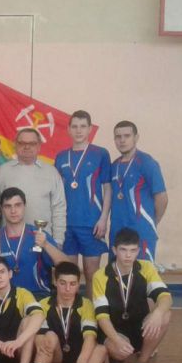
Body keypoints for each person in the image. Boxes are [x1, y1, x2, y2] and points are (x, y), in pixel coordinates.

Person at [15, 262, 107, 363]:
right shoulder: (43, 304)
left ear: (78, 284)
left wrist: (82, 360)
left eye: (72, 284)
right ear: (55, 282)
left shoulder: (86, 305)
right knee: (49, 336)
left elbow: (90, 336)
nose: (67, 289)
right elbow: (39, 337)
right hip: (53, 359)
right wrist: (41, 345)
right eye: (63, 283)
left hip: (77, 361)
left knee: (101, 349)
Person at [92, 228, 173, 363]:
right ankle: (115, 360)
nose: (128, 255)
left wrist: (157, 313)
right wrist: (116, 340)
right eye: (123, 250)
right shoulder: (100, 276)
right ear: (114, 250)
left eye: (133, 250)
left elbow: (165, 296)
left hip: (138, 326)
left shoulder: (146, 268)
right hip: (114, 330)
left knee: (165, 315)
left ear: (138, 251)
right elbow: (102, 317)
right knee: (118, 348)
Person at [0, 188, 70, 297]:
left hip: (37, 296)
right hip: (6, 299)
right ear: (1, 208)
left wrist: (46, 245)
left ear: (24, 206)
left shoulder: (39, 235)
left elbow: (67, 266)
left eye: (17, 205)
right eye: (8, 206)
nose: (13, 211)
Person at [54, 110, 112, 294]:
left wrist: (103, 219)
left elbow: (107, 188)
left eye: (83, 126)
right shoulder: (61, 156)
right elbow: (57, 191)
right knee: (69, 276)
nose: (78, 130)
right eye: (74, 126)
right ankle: (72, 311)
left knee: (91, 273)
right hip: (67, 224)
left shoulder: (101, 154)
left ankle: (93, 311)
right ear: (68, 129)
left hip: (91, 224)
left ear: (89, 129)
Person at [0, 127, 67, 242]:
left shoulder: (51, 172)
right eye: (22, 143)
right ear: (15, 145)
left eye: (32, 143)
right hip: (9, 240)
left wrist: (58, 241)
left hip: (43, 240)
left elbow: (59, 209)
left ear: (39, 146)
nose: (27, 147)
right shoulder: (2, 172)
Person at [110, 120, 167, 261]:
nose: (122, 140)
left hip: (141, 231)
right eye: (118, 137)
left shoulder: (147, 163)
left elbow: (162, 197)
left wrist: (152, 221)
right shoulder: (114, 165)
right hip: (117, 231)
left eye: (127, 136)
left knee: (142, 272)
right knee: (116, 272)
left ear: (136, 137)